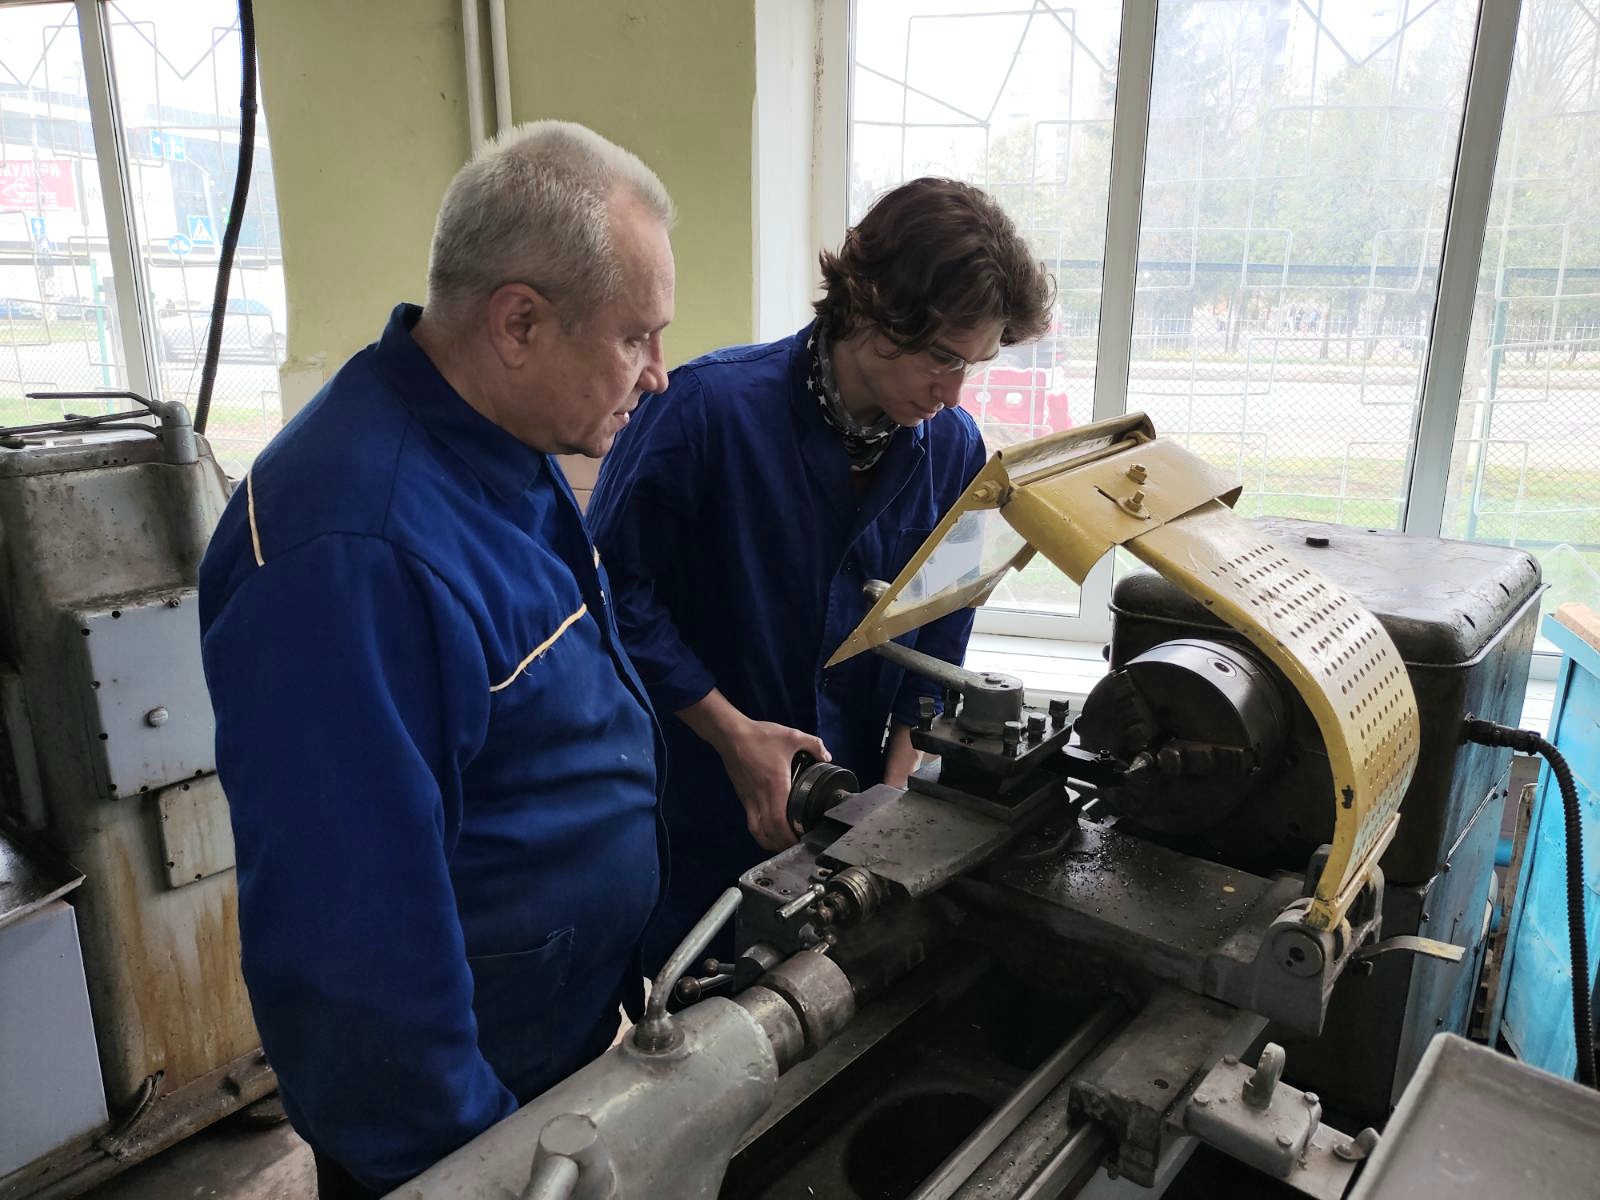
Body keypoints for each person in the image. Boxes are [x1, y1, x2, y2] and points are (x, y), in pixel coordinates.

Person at [198, 121, 675, 1198]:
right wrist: (476, 1171)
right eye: (636, 338)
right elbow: (353, 955)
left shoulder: (497, 439)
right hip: (454, 1125)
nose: (657, 375)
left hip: (545, 1047)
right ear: (519, 322)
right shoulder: (353, 553)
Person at [588, 177, 1052, 969]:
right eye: (942, 356)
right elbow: (605, 594)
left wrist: (902, 784)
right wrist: (732, 734)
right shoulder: (702, 413)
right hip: (697, 807)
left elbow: (943, 623)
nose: (952, 393)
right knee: (696, 1010)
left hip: (854, 813)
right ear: (870, 302)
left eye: (971, 367)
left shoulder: (956, 451)